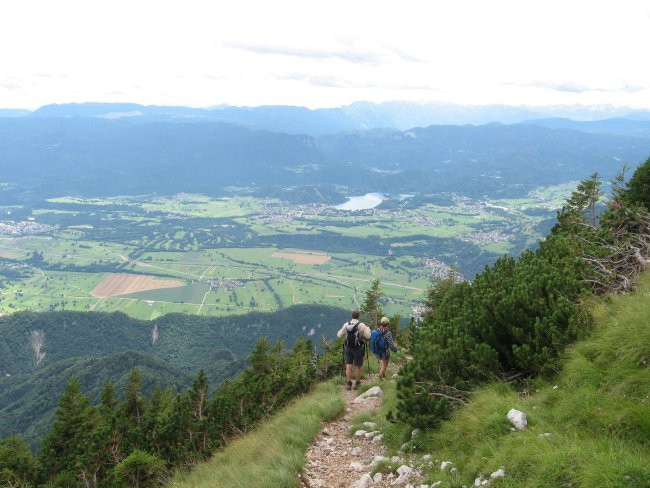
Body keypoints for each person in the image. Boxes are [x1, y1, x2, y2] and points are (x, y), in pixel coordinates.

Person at [337, 310, 371, 390]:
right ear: (358, 316)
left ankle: (348, 384)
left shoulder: (346, 324)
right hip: (357, 348)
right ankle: (357, 383)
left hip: (348, 348)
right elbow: (368, 336)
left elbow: (339, 335)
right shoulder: (361, 325)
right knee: (357, 366)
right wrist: (368, 329)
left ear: (352, 316)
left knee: (348, 366)